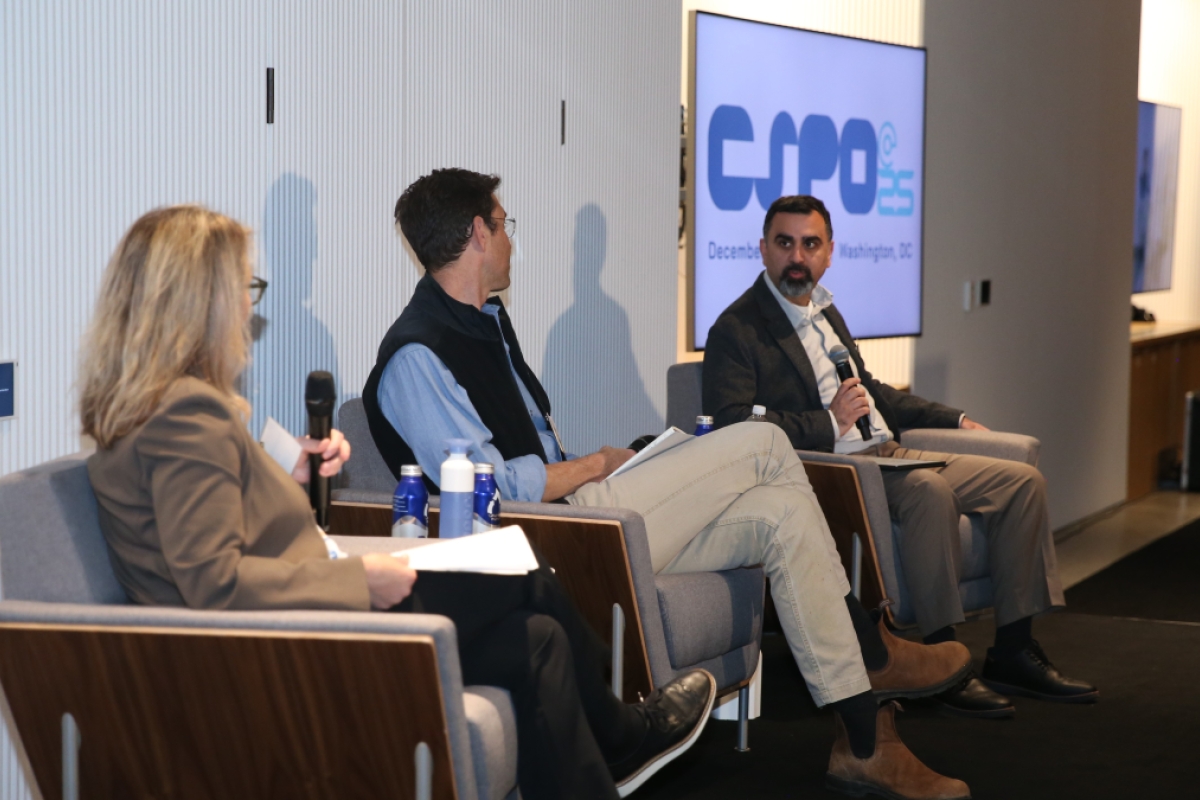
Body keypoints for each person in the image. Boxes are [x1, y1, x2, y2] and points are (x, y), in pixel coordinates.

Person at [365, 168, 975, 800]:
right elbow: (486, 486)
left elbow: (532, 445)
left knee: (778, 514)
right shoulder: (417, 355)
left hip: (586, 508)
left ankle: (863, 741)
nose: (511, 240)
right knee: (765, 442)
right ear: (477, 234)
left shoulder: (484, 322)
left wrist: (620, 461)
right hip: (554, 534)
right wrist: (594, 467)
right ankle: (870, 648)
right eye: (503, 224)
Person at [79, 205, 718, 800]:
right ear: (198, 303)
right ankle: (629, 733)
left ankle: (623, 740)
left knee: (538, 639)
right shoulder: (184, 416)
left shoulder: (154, 411)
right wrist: (360, 579)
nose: (248, 313)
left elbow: (210, 526)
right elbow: (213, 584)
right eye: (242, 292)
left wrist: (283, 471)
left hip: (295, 623)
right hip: (279, 651)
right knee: (525, 574)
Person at [702, 194, 1098, 719]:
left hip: (887, 450)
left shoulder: (825, 310)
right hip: (836, 468)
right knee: (929, 492)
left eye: (810, 244)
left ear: (829, 252)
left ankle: (1013, 651)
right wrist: (829, 422)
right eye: (784, 243)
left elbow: (874, 391)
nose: (797, 256)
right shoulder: (738, 329)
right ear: (763, 249)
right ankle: (942, 660)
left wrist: (953, 419)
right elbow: (730, 424)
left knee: (1022, 481)